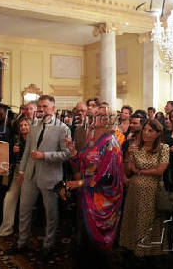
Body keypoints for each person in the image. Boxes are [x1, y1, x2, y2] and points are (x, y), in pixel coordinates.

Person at [5, 95, 70, 260]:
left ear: (53, 108)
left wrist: (44, 155)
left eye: (45, 106)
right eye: (40, 106)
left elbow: (67, 154)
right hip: (30, 175)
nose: (42, 109)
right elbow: (27, 151)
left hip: (50, 176)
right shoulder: (34, 126)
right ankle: (21, 243)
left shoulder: (63, 128)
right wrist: (21, 172)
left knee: (51, 214)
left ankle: (48, 246)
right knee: (24, 211)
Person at [63, 106, 124, 269]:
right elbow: (81, 163)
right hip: (86, 196)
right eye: (95, 114)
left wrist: (80, 183)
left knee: (96, 247)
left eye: (102, 115)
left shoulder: (111, 142)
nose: (96, 117)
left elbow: (108, 175)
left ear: (110, 119)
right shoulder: (91, 139)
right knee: (83, 239)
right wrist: (73, 151)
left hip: (101, 199)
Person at [120, 120, 170, 262]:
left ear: (158, 133)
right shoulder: (136, 147)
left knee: (147, 221)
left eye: (151, 131)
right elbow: (128, 171)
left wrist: (140, 171)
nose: (146, 133)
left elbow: (160, 170)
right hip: (134, 191)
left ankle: (147, 251)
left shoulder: (163, 148)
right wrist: (128, 156)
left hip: (152, 190)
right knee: (134, 218)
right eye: (145, 130)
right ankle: (132, 247)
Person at [0, 118, 31, 237]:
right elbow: (8, 158)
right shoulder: (16, 140)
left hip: (30, 173)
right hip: (16, 172)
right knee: (9, 198)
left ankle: (24, 231)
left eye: (26, 125)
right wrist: (12, 151)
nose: (23, 127)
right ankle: (7, 228)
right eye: (21, 125)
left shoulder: (34, 140)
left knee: (25, 202)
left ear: (30, 126)